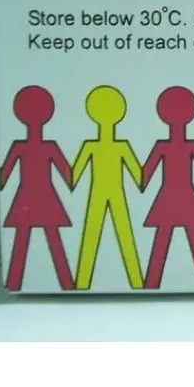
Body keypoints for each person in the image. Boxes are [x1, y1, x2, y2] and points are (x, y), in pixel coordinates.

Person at [0, 85, 74, 291]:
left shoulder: (20, 147)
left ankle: (16, 282)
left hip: (26, 198)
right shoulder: (48, 147)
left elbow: (4, 176)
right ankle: (66, 283)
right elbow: (69, 176)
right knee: (52, 238)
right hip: (45, 198)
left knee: (23, 239)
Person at [71, 85, 144, 290]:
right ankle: (136, 280)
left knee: (92, 234)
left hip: (99, 194)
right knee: (123, 233)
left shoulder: (91, 146)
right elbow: (140, 177)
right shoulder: (120, 146)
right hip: (114, 193)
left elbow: (72, 177)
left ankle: (83, 281)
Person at [142, 86, 194, 289]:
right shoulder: (191, 146)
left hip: (168, 197)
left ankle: (152, 282)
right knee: (193, 237)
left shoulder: (163, 146)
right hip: (186, 197)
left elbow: (144, 177)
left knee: (164, 237)